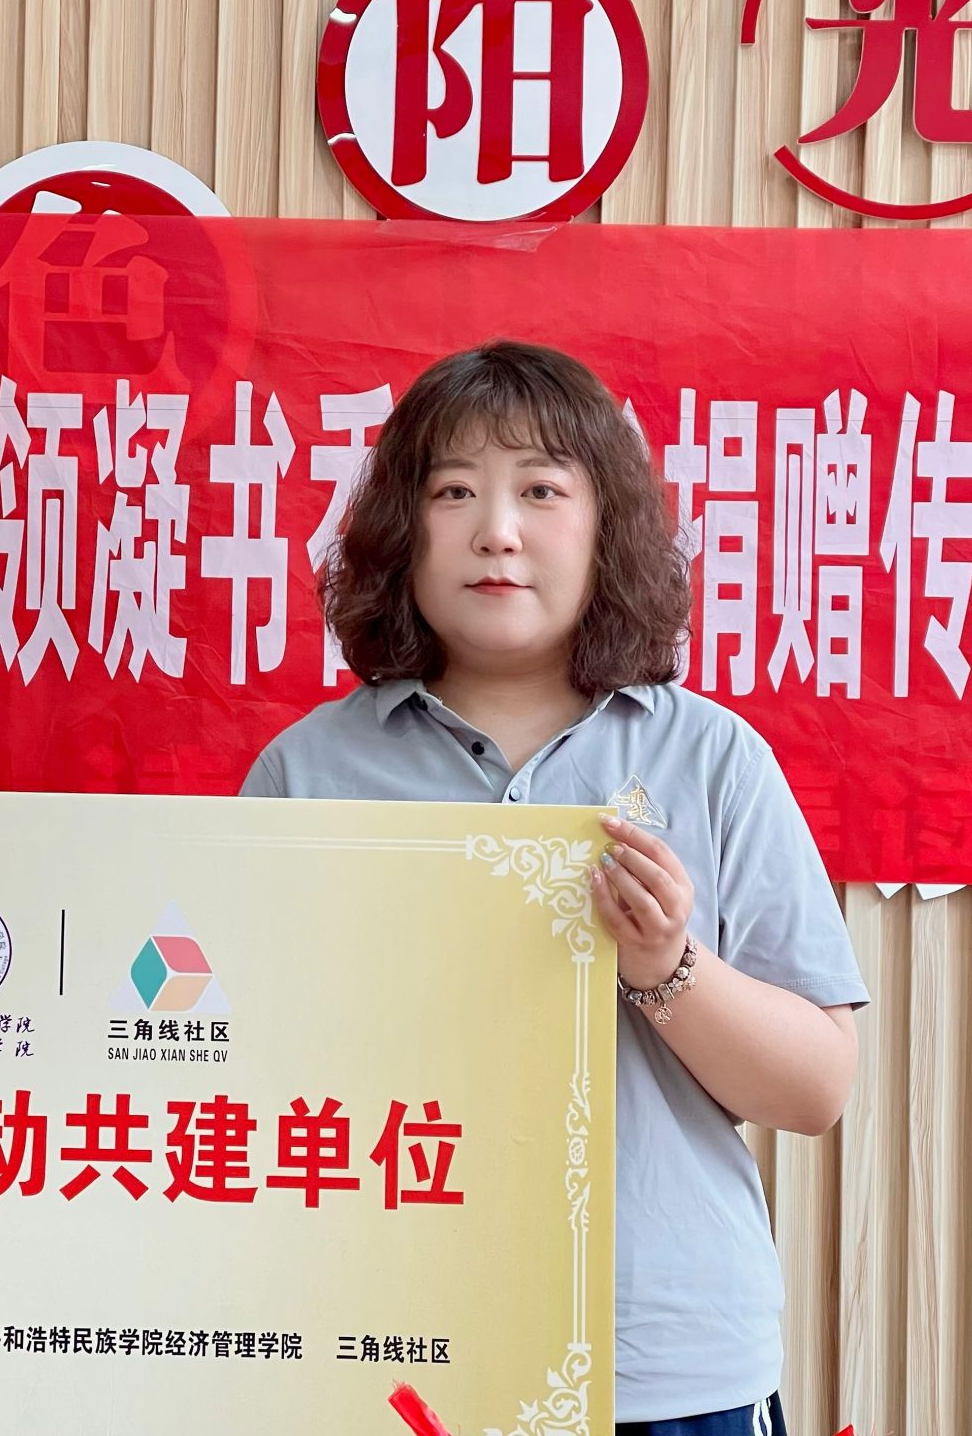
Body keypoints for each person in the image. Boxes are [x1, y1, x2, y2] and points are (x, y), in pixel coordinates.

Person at [241, 342, 864, 1436]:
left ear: (603, 526)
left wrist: (665, 966)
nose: (496, 530)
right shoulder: (309, 774)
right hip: (386, 1354)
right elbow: (237, 1070)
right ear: (399, 530)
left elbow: (814, 1090)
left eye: (539, 490)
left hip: (662, 1366)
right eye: (452, 492)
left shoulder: (712, 758)